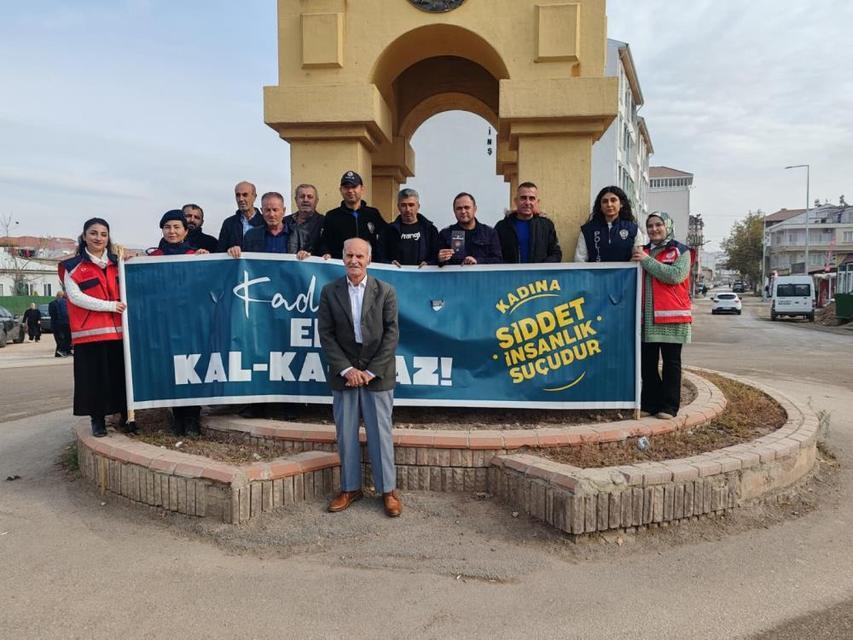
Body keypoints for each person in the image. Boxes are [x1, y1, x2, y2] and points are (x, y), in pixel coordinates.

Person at [318, 237, 401, 517]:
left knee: (380, 433)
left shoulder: (385, 291)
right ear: (343, 258)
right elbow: (326, 335)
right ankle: (350, 488)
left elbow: (391, 335)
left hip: (377, 375)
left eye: (360, 256)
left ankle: (387, 490)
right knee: (346, 434)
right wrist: (348, 370)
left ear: (369, 259)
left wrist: (368, 371)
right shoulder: (330, 292)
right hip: (345, 375)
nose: (354, 261)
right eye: (349, 255)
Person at [59, 218, 128, 438]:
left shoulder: (120, 263)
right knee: (94, 380)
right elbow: (76, 297)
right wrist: (110, 306)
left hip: (119, 333)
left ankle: (126, 417)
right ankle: (97, 420)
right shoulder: (72, 266)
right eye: (93, 233)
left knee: (120, 377)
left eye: (103, 234)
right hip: (90, 335)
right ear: (84, 236)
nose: (98, 238)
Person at [147, 210, 208, 435]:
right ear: (162, 230)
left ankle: (193, 418)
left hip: (191, 325)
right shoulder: (152, 258)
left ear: (185, 230)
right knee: (172, 371)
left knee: (192, 369)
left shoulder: (196, 255)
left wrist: (206, 260)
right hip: (165, 325)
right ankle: (178, 417)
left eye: (176, 227)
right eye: (167, 227)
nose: (172, 232)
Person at [631, 211, 692, 419]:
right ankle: (651, 402)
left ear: (667, 226)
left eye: (658, 225)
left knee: (671, 363)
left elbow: (675, 276)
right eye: (650, 226)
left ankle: (669, 406)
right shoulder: (643, 250)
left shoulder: (680, 251)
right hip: (646, 318)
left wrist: (646, 261)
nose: (654, 229)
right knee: (646, 364)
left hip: (672, 317)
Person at [318, 171, 387, 260]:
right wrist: (325, 253)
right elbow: (324, 243)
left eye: (354, 187)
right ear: (341, 190)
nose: (350, 191)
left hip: (370, 268)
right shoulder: (332, 216)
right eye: (346, 187)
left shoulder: (373, 214)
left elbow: (387, 239)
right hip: (341, 267)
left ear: (362, 189)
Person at [495, 182, 562, 263]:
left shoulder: (546, 226)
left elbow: (556, 253)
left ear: (537, 202)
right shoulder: (502, 226)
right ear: (516, 201)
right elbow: (495, 255)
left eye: (532, 198)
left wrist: (542, 269)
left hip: (539, 275)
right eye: (523, 198)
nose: (527, 203)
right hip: (511, 275)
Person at [575, 186, 643, 262]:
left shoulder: (633, 229)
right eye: (605, 201)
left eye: (613, 200)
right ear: (600, 206)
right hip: (595, 274)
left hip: (625, 274)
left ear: (621, 204)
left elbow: (637, 258)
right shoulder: (588, 230)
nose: (609, 204)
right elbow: (579, 260)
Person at [437, 192, 503, 265]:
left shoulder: (489, 233)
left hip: (481, 276)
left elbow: (498, 260)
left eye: (467, 207)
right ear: (454, 211)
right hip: (455, 276)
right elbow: (436, 263)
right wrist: (440, 259)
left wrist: (477, 261)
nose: (463, 211)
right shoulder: (445, 234)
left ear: (475, 209)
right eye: (459, 208)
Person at [382, 188, 440, 267]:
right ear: (398, 207)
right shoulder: (388, 231)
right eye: (403, 205)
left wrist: (429, 264)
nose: (408, 209)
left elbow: (437, 256)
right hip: (395, 277)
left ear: (418, 206)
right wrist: (389, 263)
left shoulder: (430, 230)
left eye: (411, 205)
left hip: (422, 277)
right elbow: (379, 256)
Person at [230, 192, 290, 256]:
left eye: (275, 210)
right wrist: (234, 252)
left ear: (283, 211)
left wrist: (302, 254)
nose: (271, 214)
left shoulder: (295, 234)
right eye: (267, 210)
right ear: (262, 211)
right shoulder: (251, 235)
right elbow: (245, 262)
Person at [217, 181, 265, 253]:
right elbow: (220, 252)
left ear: (254, 197)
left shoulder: (265, 221)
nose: (241, 199)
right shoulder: (228, 223)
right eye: (238, 195)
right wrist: (229, 251)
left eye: (245, 195)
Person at [284, 184, 324, 257]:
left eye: (310, 197)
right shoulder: (284, 222)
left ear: (316, 201)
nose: (305, 200)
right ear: (296, 200)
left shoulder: (324, 223)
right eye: (302, 197)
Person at [48, 291, 72, 357]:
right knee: (65, 338)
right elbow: (65, 313)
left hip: (56, 323)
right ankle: (63, 351)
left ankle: (63, 351)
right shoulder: (64, 302)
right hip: (63, 323)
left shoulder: (52, 303)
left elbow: (51, 314)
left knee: (61, 338)